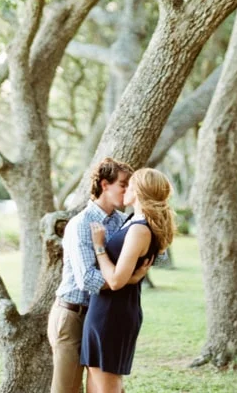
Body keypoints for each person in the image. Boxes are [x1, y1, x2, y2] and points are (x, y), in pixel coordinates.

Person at [48, 157, 151, 393]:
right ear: (105, 184)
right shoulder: (81, 224)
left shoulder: (123, 222)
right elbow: (89, 280)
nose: (127, 191)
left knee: (103, 387)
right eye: (123, 185)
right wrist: (128, 278)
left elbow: (150, 256)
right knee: (67, 389)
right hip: (73, 315)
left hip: (101, 317)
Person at [80, 167, 176, 393]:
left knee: (107, 387)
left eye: (130, 185)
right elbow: (150, 262)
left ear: (140, 192)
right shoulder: (134, 220)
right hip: (102, 309)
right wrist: (134, 277)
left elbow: (114, 281)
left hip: (114, 313)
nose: (125, 189)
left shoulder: (140, 230)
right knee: (94, 383)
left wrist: (99, 247)